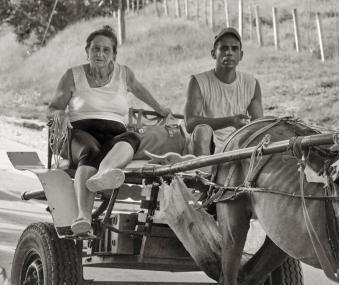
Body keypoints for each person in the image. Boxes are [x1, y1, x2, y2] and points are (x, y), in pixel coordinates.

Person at [47, 25, 170, 235]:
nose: (100, 54)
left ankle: (103, 175)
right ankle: (83, 217)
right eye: (95, 49)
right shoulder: (73, 75)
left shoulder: (124, 74)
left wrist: (161, 110)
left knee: (131, 137)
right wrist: (57, 113)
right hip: (79, 133)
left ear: (114, 54)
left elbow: (141, 91)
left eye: (106, 50)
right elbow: (52, 109)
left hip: (114, 135)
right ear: (87, 51)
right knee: (90, 151)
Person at [184, 27, 263, 158]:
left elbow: (258, 124)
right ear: (213, 54)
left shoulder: (252, 83)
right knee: (203, 131)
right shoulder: (197, 82)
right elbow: (190, 123)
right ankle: (203, 174)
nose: (229, 53)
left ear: (241, 55)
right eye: (224, 48)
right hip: (204, 145)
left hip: (236, 145)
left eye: (234, 48)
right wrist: (230, 121)